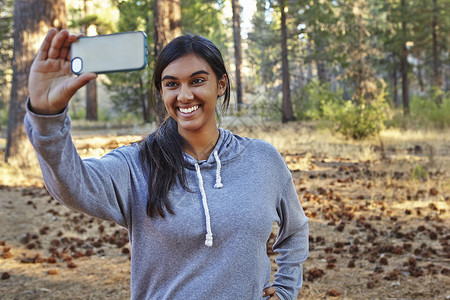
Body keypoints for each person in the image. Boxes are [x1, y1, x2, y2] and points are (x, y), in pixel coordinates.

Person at [25, 28, 309, 300]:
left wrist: (285, 290)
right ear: (162, 92)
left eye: (197, 80)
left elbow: (295, 229)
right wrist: (47, 117)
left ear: (221, 84)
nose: (184, 96)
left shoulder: (262, 159)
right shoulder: (136, 164)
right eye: (172, 84)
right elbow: (73, 185)